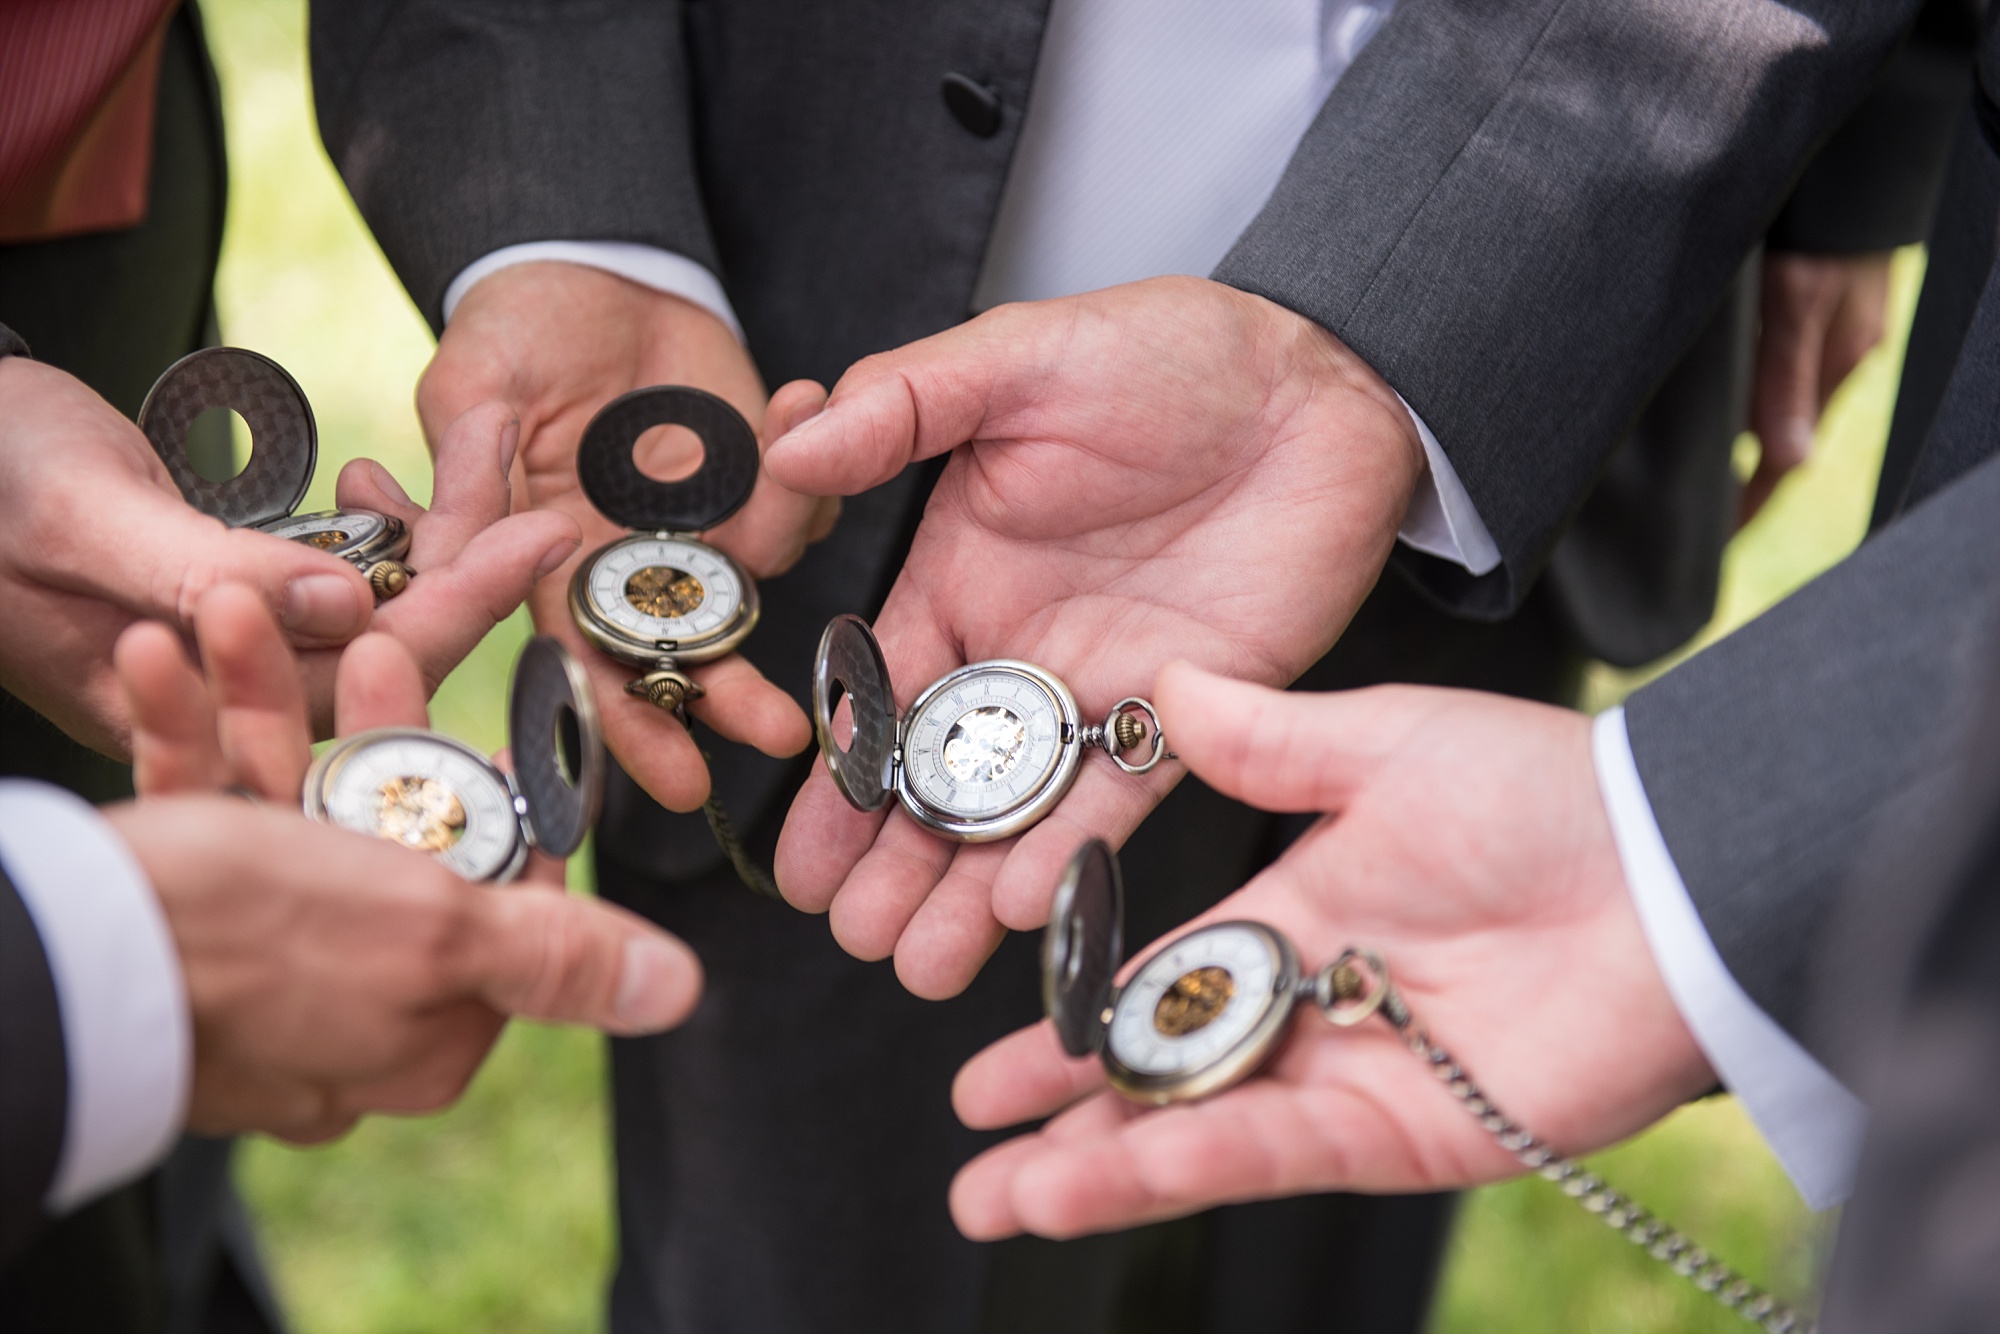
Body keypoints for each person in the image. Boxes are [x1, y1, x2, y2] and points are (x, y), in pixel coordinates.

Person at [309, 0, 1966, 1328]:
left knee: (1332, 1245)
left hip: (1533, 419)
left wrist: (1853, 154)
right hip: (826, 461)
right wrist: (574, 229)